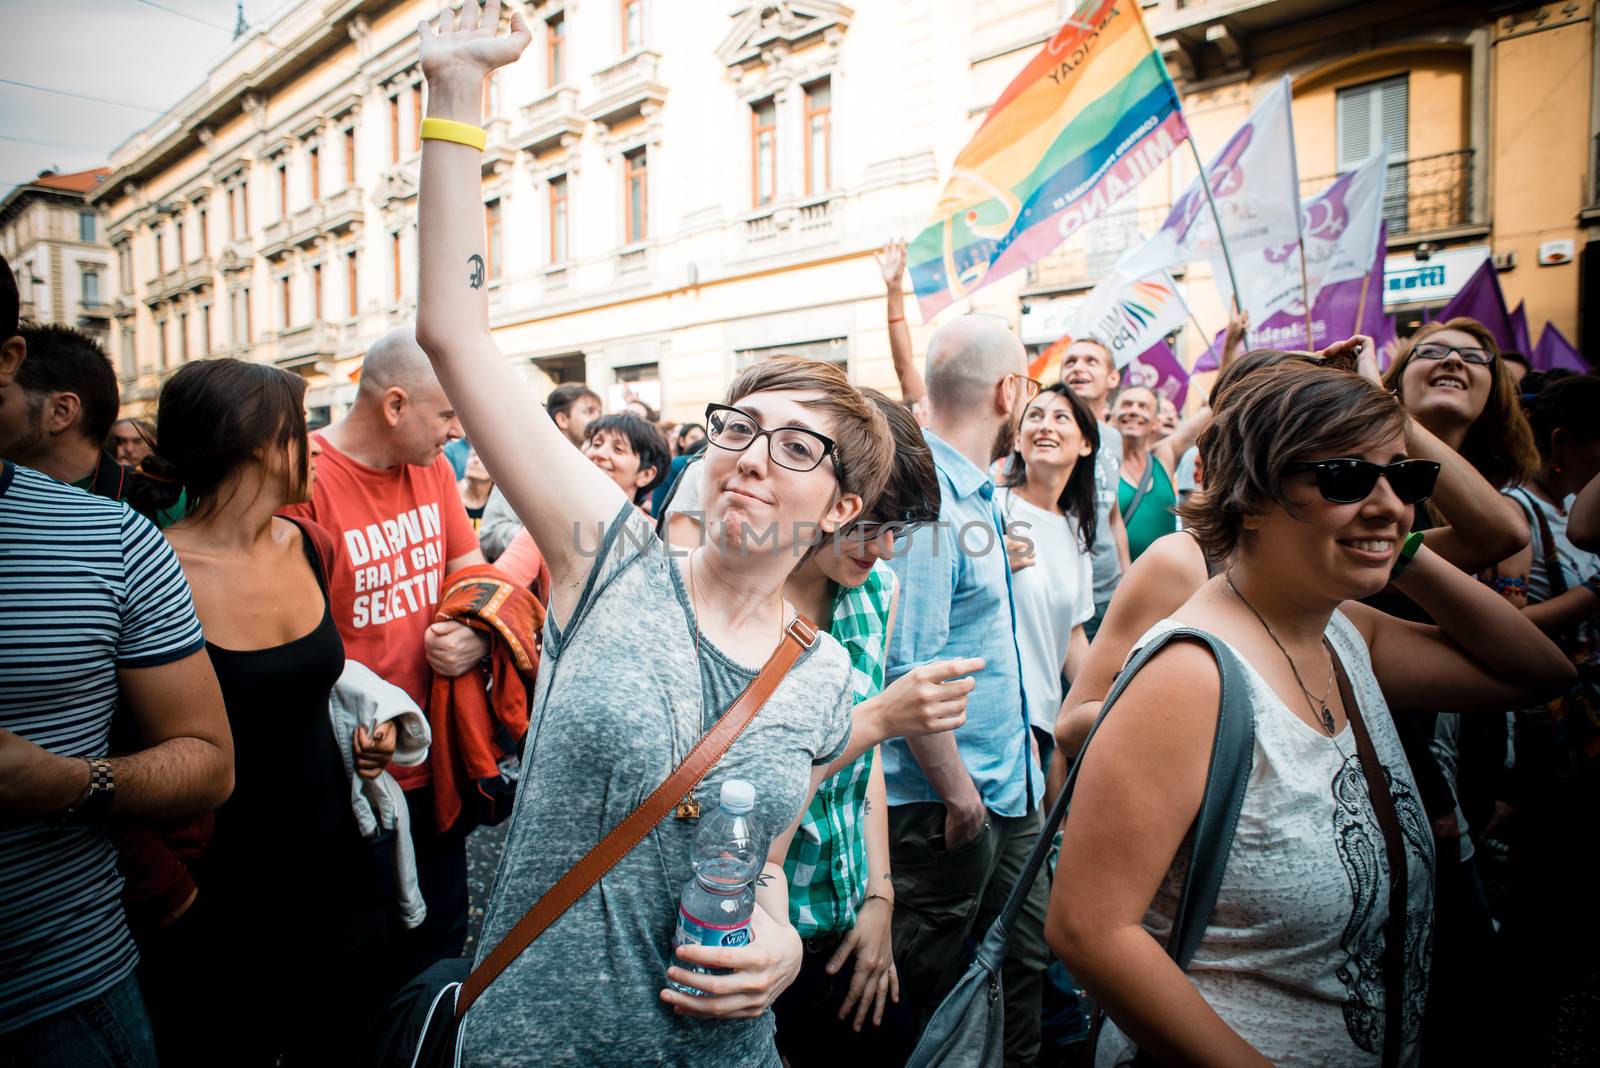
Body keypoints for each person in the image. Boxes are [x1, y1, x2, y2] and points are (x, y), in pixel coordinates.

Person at [412, 11, 916, 1063]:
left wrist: (776, 939)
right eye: (738, 427)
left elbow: (762, 855)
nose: (748, 454)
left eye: (795, 448)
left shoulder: (822, 677)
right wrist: (456, 94)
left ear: (839, 511)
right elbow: (455, 334)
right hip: (536, 1043)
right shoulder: (609, 560)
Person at [1047, 357, 1573, 1067]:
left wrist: (1392, 541)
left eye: (1405, 478)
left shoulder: (1347, 632)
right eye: (1346, 477)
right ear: (1250, 499)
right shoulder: (1192, 672)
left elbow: (1537, 672)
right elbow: (1087, 930)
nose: (1389, 500)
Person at [128, 358, 399, 1066]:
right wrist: (171, 891)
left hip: (337, 873)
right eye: (299, 426)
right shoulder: (151, 571)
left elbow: (312, 689)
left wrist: (363, 741)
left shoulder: (311, 544)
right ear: (254, 443)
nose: (314, 441)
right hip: (221, 895)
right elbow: (112, 747)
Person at [0, 254, 233, 1067]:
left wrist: (67, 782)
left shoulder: (121, 532)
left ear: (7, 365)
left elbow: (204, 759)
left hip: (61, 989)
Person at [278, 326, 488, 982]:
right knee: (359, 963)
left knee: (443, 939)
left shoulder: (433, 470)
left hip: (436, 758)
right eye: (447, 413)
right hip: (351, 772)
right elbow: (285, 632)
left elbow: (468, 565)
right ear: (395, 405)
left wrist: (475, 629)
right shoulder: (303, 479)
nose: (457, 431)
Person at [878, 312, 1051, 1066]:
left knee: (1019, 972)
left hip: (1009, 788)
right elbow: (905, 666)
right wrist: (960, 798)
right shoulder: (932, 503)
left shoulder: (974, 494)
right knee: (943, 996)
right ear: (1010, 392)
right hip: (951, 807)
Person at [773, 390, 952, 1063]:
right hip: (755, 929)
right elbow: (734, 786)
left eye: (900, 528)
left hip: (848, 920)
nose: (882, 548)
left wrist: (880, 898)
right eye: (870, 522)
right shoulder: (744, 604)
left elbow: (866, 759)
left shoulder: (877, 591)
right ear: (828, 498)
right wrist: (881, 715)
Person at [1491, 371, 1600, 1065]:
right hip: (1538, 735)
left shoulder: (1560, 510)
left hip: (1573, 730)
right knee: (1545, 899)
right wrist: (1596, 594)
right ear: (1562, 444)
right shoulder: (1516, 515)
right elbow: (1506, 628)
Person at [996, 383, 1097, 786]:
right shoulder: (994, 507)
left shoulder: (1075, 530)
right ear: (1017, 440)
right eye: (1034, 416)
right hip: (999, 724)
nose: (1045, 426)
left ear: (1086, 443)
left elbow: (1072, 633)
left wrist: (1110, 699)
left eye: (1060, 417)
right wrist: (989, 565)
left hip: (1044, 724)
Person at [477, 382, 602, 560]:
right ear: (562, 419)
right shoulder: (525, 467)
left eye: (599, 412)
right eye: (589, 411)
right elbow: (490, 534)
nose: (597, 419)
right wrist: (548, 540)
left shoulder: (595, 467)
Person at [1058, 338, 1131, 638]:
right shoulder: (1047, 432)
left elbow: (1112, 515)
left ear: (1113, 378)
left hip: (1110, 594)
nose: (1078, 368)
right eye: (1070, 362)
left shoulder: (1113, 438)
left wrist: (1127, 579)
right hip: (1068, 597)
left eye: (1091, 361)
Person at [1113, 383, 1204, 562]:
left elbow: (1212, 407)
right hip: (1116, 581)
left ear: (1155, 422)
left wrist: (1229, 353)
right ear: (1114, 416)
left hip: (1164, 580)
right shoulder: (1101, 463)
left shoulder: (1164, 456)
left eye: (1143, 406)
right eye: (1126, 404)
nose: (1133, 410)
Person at [583, 411, 669, 511]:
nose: (599, 453)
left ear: (646, 475)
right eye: (597, 444)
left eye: (618, 449)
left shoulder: (645, 526)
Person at [459, 446, 493, 533]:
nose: (475, 460)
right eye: (473, 455)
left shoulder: (499, 503)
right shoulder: (452, 494)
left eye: (483, 458)